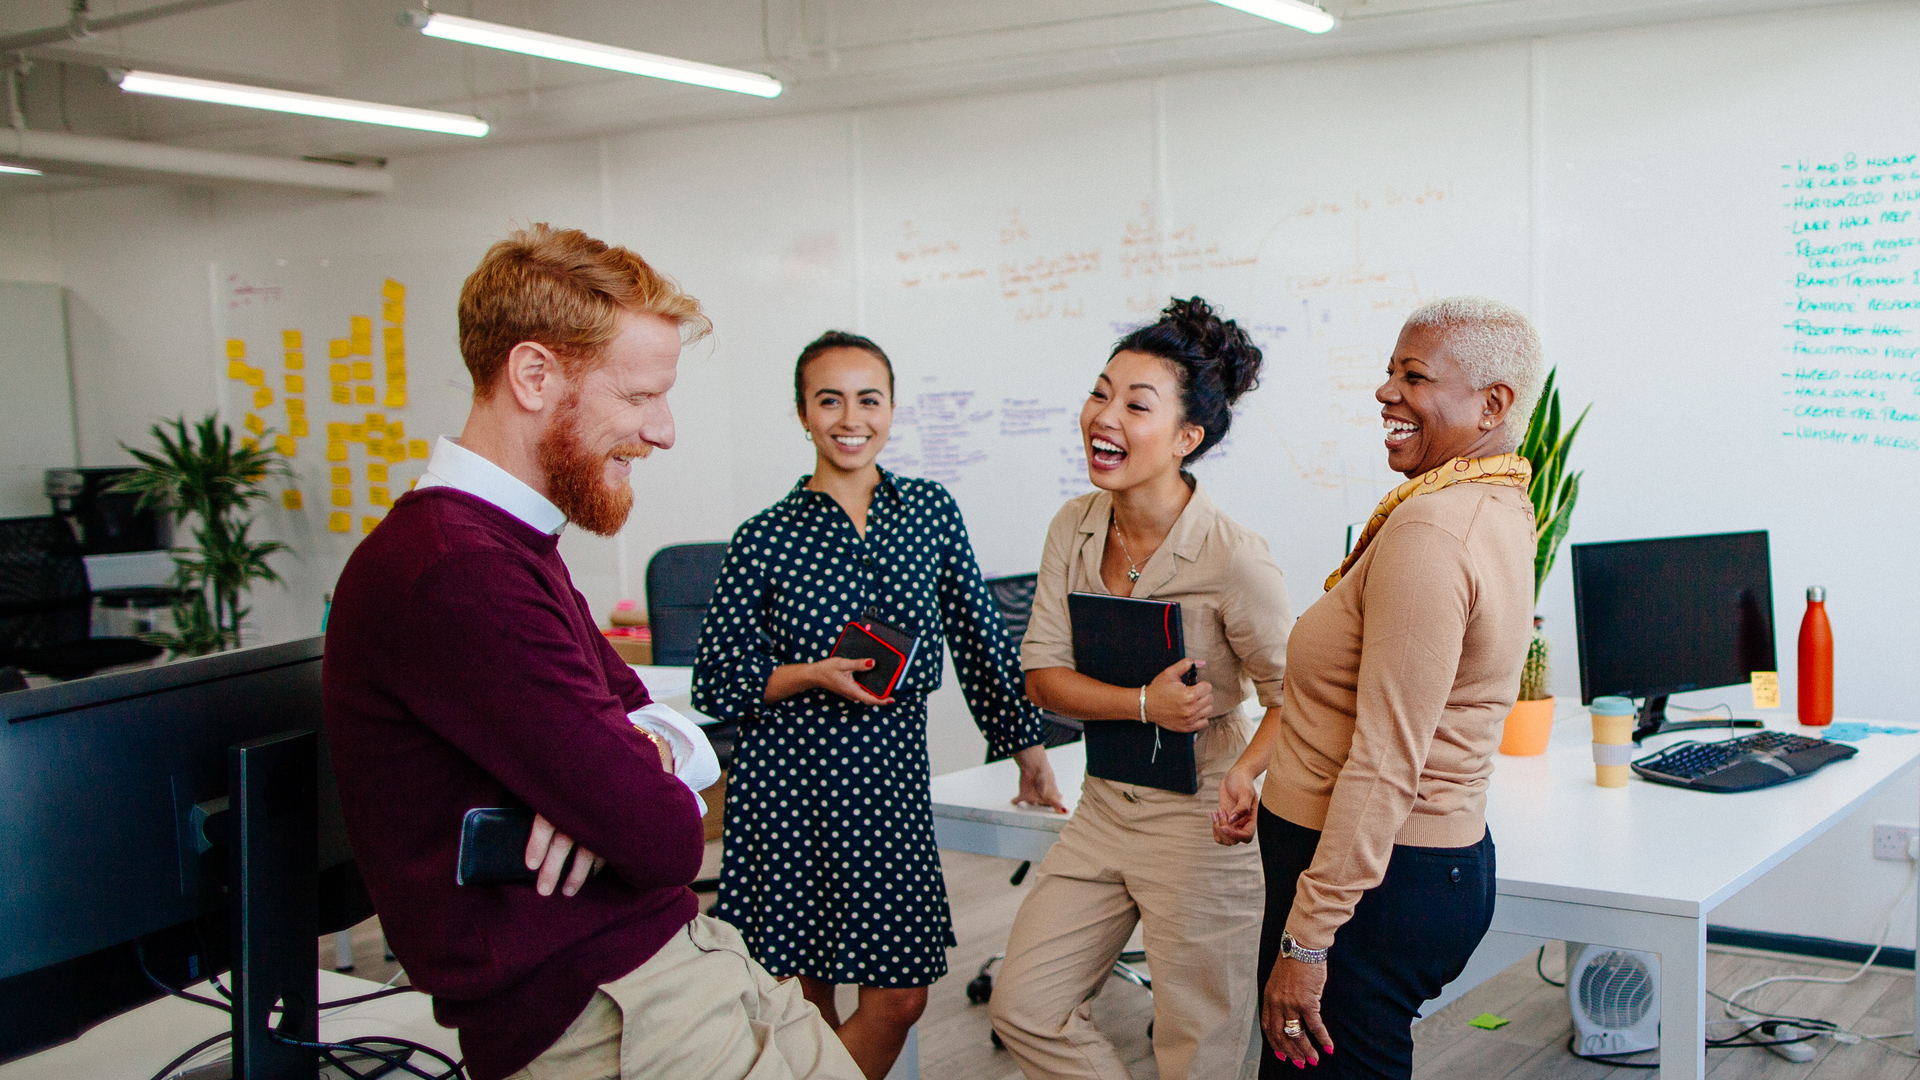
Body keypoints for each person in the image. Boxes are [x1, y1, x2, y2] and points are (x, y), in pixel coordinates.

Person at [323, 225, 863, 1080]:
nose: (665, 431)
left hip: (672, 963)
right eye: (640, 397)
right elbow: (663, 837)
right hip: (607, 1012)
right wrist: (630, 783)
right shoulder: (454, 571)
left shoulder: (508, 546)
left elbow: (659, 732)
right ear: (534, 376)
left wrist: (640, 753)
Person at [692, 330, 1066, 1080]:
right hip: (788, 786)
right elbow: (717, 680)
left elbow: (977, 636)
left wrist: (1027, 751)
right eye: (829, 399)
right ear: (803, 413)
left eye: (868, 398)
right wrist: (810, 673)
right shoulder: (764, 537)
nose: (850, 417)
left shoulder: (928, 511)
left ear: (892, 409)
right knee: (805, 1000)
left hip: (888, 781)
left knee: (898, 998)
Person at [1215, 296, 1544, 1079]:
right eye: (1390, 371)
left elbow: (1389, 760)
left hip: (1370, 885)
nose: (1385, 392)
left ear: (1492, 403)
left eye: (1415, 375)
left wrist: (1307, 938)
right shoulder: (1493, 501)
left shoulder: (1432, 534)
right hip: (1398, 871)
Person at [988, 297, 1294, 1080]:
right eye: (1100, 392)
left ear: (1187, 438)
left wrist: (1245, 773)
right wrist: (1140, 705)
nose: (1104, 415)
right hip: (1103, 803)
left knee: (1200, 1050)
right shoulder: (1074, 525)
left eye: (1136, 403)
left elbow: (1298, 698)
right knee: (1024, 1006)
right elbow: (1042, 677)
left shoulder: (1234, 556)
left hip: (1200, 822)